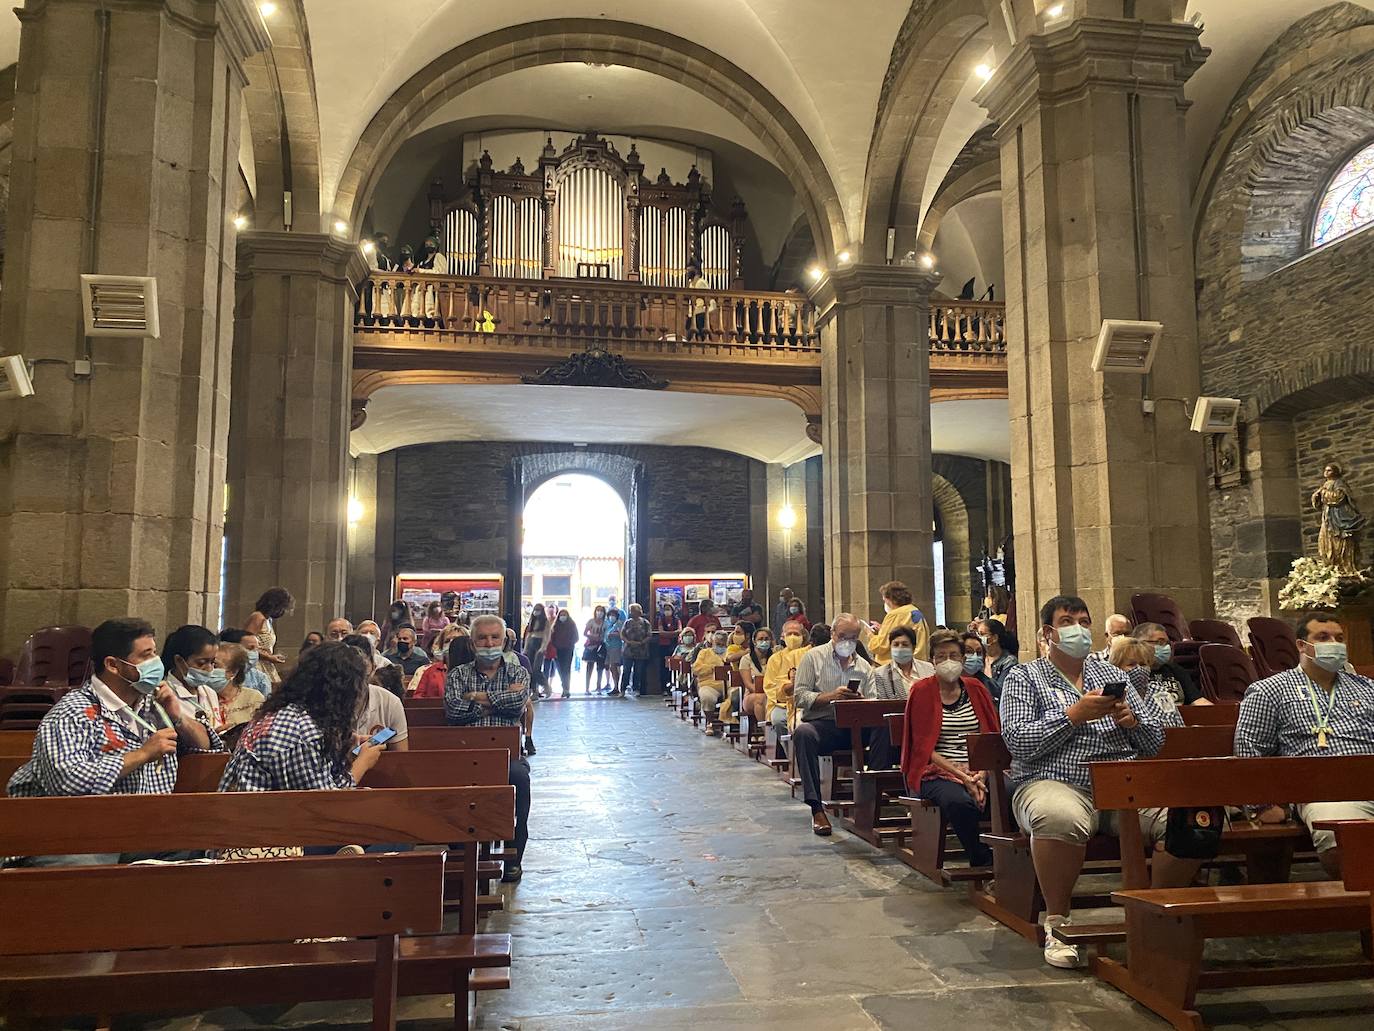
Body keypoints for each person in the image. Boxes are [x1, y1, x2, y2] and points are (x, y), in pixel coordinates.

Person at [1000, 595, 1198, 969]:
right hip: (1054, 780)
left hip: (1121, 781)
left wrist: (1132, 723)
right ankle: (1057, 922)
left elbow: (1155, 742)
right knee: (1058, 816)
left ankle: (1150, 913)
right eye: (1068, 621)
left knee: (1193, 820)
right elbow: (1019, 742)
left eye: (1084, 620)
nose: (1078, 628)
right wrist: (1072, 715)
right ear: (1049, 632)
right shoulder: (1023, 677)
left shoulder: (1114, 675)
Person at [5, 619, 221, 866]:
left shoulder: (154, 707)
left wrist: (178, 716)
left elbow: (207, 749)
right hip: (71, 836)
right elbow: (66, 782)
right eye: (145, 656)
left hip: (142, 833)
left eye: (155, 653)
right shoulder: (72, 712)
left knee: (204, 848)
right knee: (86, 868)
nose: (156, 663)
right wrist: (142, 754)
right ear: (113, 665)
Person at [1235, 613, 1374, 877]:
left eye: (1339, 639)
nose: (1334, 643)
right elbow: (1248, 749)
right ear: (1301, 645)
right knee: (1346, 842)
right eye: (1323, 637)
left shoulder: (1367, 689)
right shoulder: (1270, 690)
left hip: (1368, 779)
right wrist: (1261, 805)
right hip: (1324, 790)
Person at [218, 642, 386, 792]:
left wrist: (342, 743)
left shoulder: (285, 713)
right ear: (342, 692)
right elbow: (324, 804)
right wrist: (362, 763)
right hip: (258, 822)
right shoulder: (302, 734)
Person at [900, 629, 1002, 867]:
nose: (948, 661)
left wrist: (981, 774)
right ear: (932, 660)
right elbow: (923, 748)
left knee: (1010, 791)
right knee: (959, 802)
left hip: (979, 767)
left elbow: (990, 737)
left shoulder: (976, 688)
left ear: (962, 659)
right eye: (941, 656)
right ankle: (980, 858)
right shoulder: (922, 690)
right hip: (937, 770)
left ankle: (1011, 855)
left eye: (954, 656)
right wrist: (963, 777)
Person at [445, 614, 532, 882]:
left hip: (506, 755)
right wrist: (498, 700)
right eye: (482, 637)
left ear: (504, 640)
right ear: (472, 643)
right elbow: (453, 710)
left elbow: (517, 704)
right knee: (446, 783)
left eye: (495, 637)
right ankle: (461, 850)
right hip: (465, 753)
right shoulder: (458, 674)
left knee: (519, 778)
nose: (489, 642)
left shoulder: (518, 671)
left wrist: (475, 698)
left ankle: (514, 856)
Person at [792, 614, 876, 835]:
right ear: (832, 634)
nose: (847, 641)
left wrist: (861, 701)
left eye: (853, 637)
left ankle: (874, 796)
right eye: (842, 636)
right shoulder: (813, 658)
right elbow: (800, 697)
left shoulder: (864, 666)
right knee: (803, 734)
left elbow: (875, 702)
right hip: (824, 724)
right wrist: (830, 696)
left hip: (856, 725)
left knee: (887, 728)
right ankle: (816, 807)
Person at [341, 635, 410, 751]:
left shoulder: (390, 702)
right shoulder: (327, 701)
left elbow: (400, 757)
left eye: (361, 666)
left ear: (373, 667)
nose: (355, 673)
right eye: (349, 666)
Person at [1129, 622, 1209, 715]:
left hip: (1179, 720)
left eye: (1167, 643)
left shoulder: (1176, 670)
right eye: (1160, 642)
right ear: (1140, 643)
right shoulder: (1133, 673)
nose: (1166, 647)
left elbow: (1197, 701)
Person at [161, 624, 228, 729]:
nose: (209, 668)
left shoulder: (209, 693)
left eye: (212, 662)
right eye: (201, 663)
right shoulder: (165, 694)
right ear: (179, 661)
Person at [764, 619, 810, 737]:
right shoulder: (775, 659)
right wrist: (786, 693)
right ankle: (788, 751)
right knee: (778, 720)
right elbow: (769, 687)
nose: (793, 637)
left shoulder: (809, 654)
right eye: (789, 634)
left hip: (805, 702)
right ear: (783, 636)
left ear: (803, 636)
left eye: (796, 634)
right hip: (781, 704)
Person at [867, 580, 930, 666]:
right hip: (918, 664)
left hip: (895, 666)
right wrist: (883, 629)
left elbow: (880, 646)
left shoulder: (895, 614)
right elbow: (903, 632)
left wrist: (870, 634)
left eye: (885, 600)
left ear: (891, 599)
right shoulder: (913, 610)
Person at [244, 587, 293, 687]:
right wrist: (269, 657)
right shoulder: (257, 617)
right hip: (256, 664)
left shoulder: (268, 620)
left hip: (266, 663)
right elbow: (246, 644)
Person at [214, 642, 266, 734]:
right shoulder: (203, 696)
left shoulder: (254, 698)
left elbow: (262, 731)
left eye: (215, 666)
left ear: (233, 672)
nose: (208, 669)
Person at [872, 624, 935, 700]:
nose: (900, 648)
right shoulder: (880, 674)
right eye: (896, 644)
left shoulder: (928, 668)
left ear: (913, 647)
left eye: (905, 644)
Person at [415, 631, 473, 699]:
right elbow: (417, 698)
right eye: (447, 641)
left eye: (456, 640)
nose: (451, 644)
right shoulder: (430, 671)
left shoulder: (475, 670)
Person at [738, 627, 775, 727]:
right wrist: (764, 692)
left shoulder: (775, 657)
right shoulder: (746, 659)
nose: (764, 641)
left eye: (767, 639)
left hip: (773, 694)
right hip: (752, 695)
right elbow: (748, 684)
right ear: (754, 641)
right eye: (761, 639)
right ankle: (765, 731)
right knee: (760, 698)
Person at [693, 629, 731, 725]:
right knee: (707, 697)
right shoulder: (704, 653)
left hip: (729, 685)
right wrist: (712, 668)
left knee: (737, 696)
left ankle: (731, 722)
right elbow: (696, 669)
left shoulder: (730, 653)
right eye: (718, 644)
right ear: (713, 642)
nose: (720, 647)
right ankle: (710, 722)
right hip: (709, 685)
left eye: (723, 644)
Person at [220, 628, 273, 695]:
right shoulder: (216, 675)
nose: (255, 653)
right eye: (250, 648)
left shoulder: (260, 679)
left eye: (257, 649)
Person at [978, 616, 1020, 692]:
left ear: (994, 638)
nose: (979, 638)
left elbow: (1000, 690)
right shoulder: (979, 658)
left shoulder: (1009, 661)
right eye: (977, 634)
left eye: (982, 634)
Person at [619, 603, 652, 697]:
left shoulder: (645, 623)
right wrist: (628, 641)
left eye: (633, 611)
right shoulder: (627, 622)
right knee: (626, 670)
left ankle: (636, 688)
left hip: (641, 650)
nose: (632, 613)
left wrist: (641, 642)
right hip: (628, 650)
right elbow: (622, 634)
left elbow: (649, 635)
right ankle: (623, 689)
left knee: (638, 670)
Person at [960, 632, 1001, 701]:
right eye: (968, 651)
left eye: (979, 653)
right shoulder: (949, 685)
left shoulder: (991, 686)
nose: (975, 657)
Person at [550, 605, 579, 697]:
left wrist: (569, 644)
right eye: (561, 615)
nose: (563, 617)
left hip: (568, 649)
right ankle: (564, 687)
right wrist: (555, 646)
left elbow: (576, 637)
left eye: (564, 615)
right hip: (558, 649)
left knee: (566, 668)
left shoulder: (571, 624)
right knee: (561, 670)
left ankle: (566, 689)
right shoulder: (556, 625)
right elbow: (552, 637)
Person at [522, 603, 551, 697]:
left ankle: (546, 687)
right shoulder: (532, 620)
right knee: (529, 669)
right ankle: (534, 690)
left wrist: (543, 647)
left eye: (538, 610)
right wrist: (526, 648)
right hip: (531, 644)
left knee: (536, 669)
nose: (536, 612)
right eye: (535, 610)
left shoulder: (546, 622)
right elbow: (528, 635)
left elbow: (547, 636)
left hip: (540, 644)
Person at [583, 605, 609, 694]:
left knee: (600, 667)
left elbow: (607, 634)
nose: (599, 612)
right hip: (591, 646)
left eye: (601, 611)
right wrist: (592, 636)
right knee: (589, 667)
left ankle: (599, 687)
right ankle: (587, 688)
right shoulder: (591, 621)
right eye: (598, 610)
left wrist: (602, 639)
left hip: (601, 646)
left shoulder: (606, 623)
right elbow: (585, 632)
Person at [685, 262, 715, 339]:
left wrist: (703, 311)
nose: (687, 272)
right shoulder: (691, 284)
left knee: (703, 336)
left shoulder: (701, 282)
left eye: (689, 270)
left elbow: (709, 300)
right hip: (693, 314)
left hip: (701, 314)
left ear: (695, 270)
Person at [604, 606, 625, 694]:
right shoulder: (609, 624)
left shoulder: (619, 624)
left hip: (616, 648)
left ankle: (616, 686)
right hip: (608, 648)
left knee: (614, 666)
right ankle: (615, 686)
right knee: (611, 667)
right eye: (610, 615)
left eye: (613, 615)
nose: (611, 617)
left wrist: (614, 635)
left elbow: (622, 635)